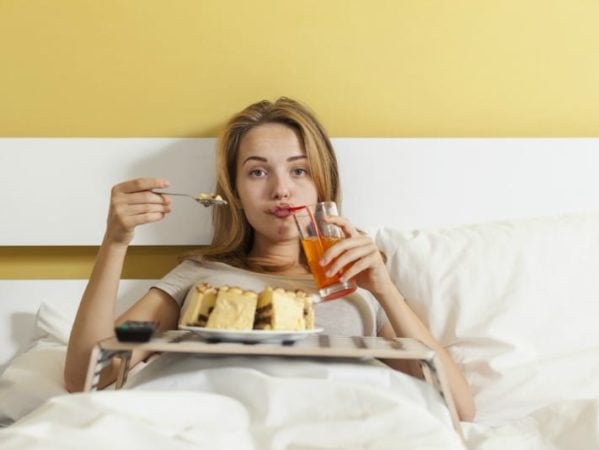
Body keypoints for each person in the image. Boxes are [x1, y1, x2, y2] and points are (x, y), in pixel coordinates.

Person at [63, 97, 475, 421]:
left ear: (322, 184)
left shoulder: (358, 287)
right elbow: (88, 375)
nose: (281, 190)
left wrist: (384, 289)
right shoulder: (200, 279)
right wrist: (115, 242)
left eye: (299, 171)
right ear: (235, 192)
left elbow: (458, 405)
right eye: (258, 172)